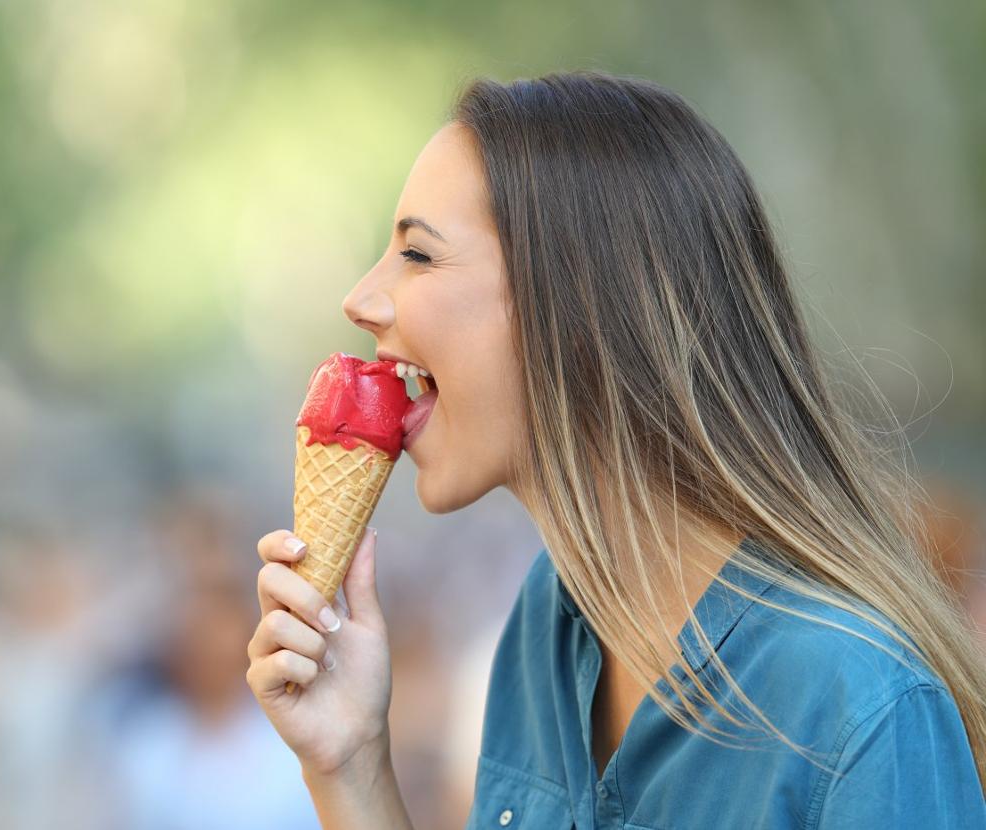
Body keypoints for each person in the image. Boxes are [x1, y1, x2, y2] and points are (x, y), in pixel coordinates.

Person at [244, 70, 986, 828]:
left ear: (580, 307)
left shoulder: (860, 710)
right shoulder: (550, 625)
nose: (361, 298)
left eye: (420, 255)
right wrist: (348, 763)